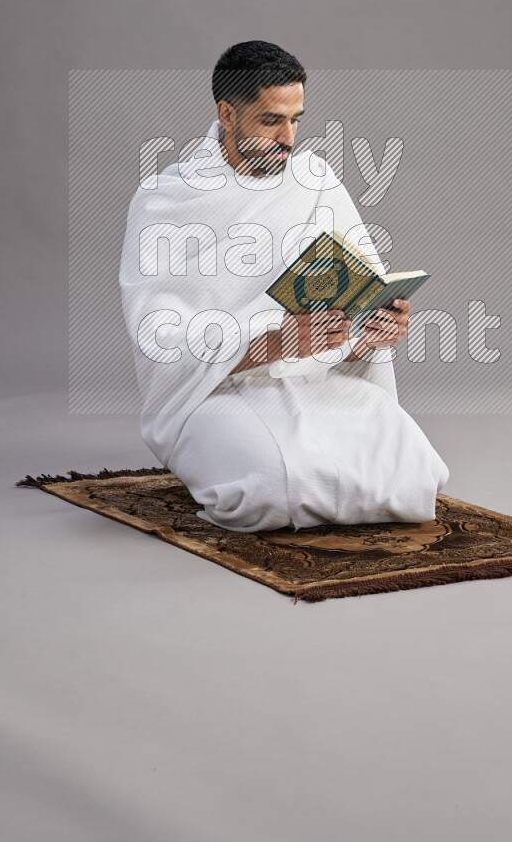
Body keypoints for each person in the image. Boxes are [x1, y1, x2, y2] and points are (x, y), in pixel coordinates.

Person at [118, 41, 450, 532]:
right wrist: (269, 341)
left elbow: (361, 291)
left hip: (314, 377)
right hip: (214, 390)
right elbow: (159, 339)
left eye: (297, 119)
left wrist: (376, 328)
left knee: (417, 476)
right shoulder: (166, 202)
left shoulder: (315, 183)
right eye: (272, 120)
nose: (289, 137)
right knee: (269, 487)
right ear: (227, 113)